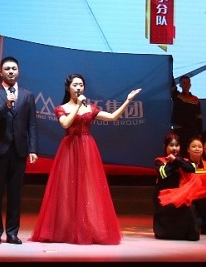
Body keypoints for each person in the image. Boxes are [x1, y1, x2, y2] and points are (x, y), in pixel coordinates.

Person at [29, 74, 140, 245]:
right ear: (68, 88)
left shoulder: (90, 108)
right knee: (67, 188)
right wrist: (78, 106)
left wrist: (128, 100)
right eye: (75, 85)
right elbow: (65, 124)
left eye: (81, 85)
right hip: (69, 149)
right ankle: (65, 230)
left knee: (87, 188)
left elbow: (112, 117)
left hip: (87, 148)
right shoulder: (61, 108)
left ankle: (86, 228)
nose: (78, 87)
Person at [0, 56, 38, 245]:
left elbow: (32, 124)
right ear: (0, 72)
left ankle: (13, 232)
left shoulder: (27, 95)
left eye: (14, 68)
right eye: (7, 69)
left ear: (18, 72)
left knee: (15, 194)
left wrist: (33, 148)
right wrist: (5, 105)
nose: (11, 71)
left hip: (19, 150)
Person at [152, 132, 199, 241]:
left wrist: (177, 160)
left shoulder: (184, 161)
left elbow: (192, 169)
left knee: (189, 208)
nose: (174, 148)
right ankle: (165, 233)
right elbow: (163, 173)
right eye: (171, 145)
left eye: (177, 145)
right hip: (163, 196)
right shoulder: (159, 161)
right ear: (165, 147)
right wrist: (172, 162)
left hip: (180, 195)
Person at [172, 76, 203, 141]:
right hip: (179, 130)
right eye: (184, 83)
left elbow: (198, 117)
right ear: (180, 85)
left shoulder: (195, 99)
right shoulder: (177, 96)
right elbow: (172, 86)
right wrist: (170, 73)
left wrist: (200, 132)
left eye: (187, 83)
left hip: (192, 131)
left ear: (190, 85)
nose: (186, 85)